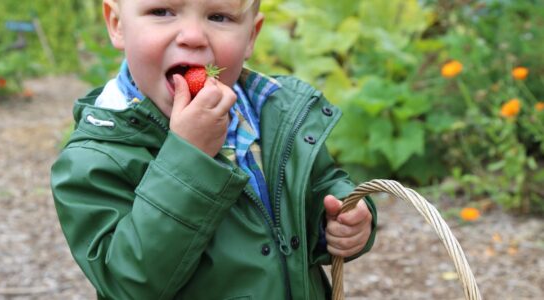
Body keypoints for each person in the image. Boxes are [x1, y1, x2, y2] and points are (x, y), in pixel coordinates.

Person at [51, 0, 377, 298]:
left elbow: (321, 183)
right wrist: (189, 158)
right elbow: (128, 281)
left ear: (251, 36)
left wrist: (340, 221)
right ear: (117, 24)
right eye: (162, 12)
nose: (193, 36)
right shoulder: (94, 159)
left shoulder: (277, 114)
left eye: (219, 16)